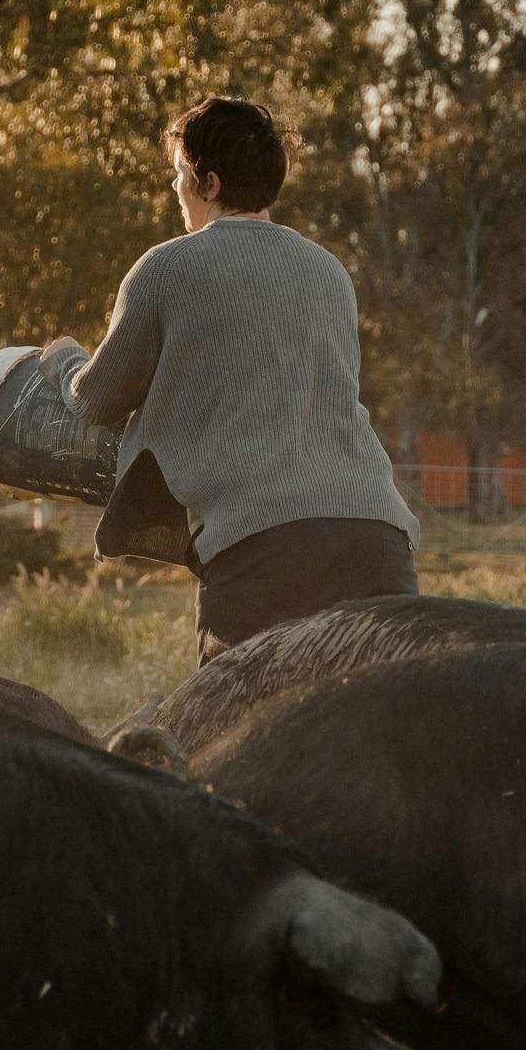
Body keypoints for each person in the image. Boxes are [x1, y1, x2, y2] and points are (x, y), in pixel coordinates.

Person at [71, 95, 419, 658]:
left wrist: (63, 363)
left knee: (232, 737)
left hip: (265, 547)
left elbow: (96, 401)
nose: (177, 192)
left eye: (180, 177)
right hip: (376, 539)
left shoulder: (166, 268)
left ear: (208, 183)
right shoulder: (330, 273)